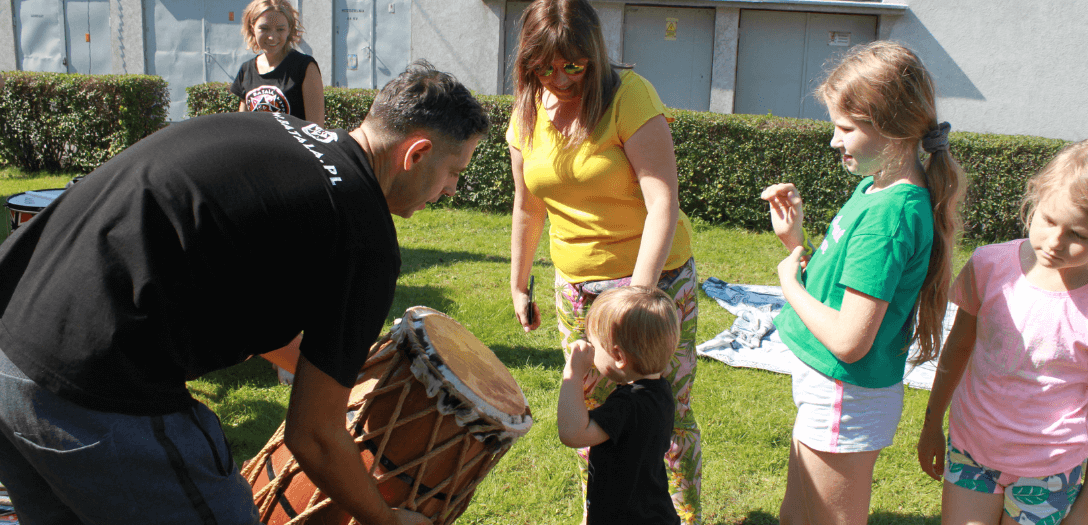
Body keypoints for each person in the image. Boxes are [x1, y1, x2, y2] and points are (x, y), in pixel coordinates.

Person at [0, 60, 488, 525]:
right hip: (92, 388)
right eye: (455, 171)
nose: (451, 189)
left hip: (9, 351)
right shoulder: (364, 235)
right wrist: (383, 517)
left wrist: (346, 374)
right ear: (416, 153)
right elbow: (314, 436)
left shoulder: (270, 130)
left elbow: (242, 304)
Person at [505, 0, 702, 521]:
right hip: (579, 289)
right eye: (545, 66)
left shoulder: (629, 97)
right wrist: (519, 283)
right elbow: (528, 206)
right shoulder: (526, 110)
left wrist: (636, 298)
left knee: (664, 418)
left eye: (573, 64)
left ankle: (678, 518)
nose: (560, 77)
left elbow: (663, 201)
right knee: (592, 412)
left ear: (595, 53)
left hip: (652, 283)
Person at [761, 41, 965, 525]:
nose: (834, 140)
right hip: (832, 386)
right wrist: (795, 241)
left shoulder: (890, 215)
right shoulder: (874, 190)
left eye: (846, 128)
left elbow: (851, 341)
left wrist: (788, 282)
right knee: (799, 514)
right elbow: (842, 288)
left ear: (893, 128)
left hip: (844, 391)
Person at [916, 138, 1088, 525]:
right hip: (970, 451)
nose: (1055, 242)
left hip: (1050, 472)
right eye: (1049, 219)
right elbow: (957, 348)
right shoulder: (988, 265)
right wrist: (931, 424)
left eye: (1080, 236)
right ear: (1036, 197)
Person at [557, 286, 681, 525]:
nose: (592, 352)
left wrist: (572, 373)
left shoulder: (627, 405)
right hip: (654, 512)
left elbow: (572, 433)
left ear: (619, 357)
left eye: (595, 345)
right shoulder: (661, 392)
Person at [230, 0, 324, 126]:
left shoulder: (305, 67)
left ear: (289, 29)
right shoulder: (246, 70)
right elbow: (242, 125)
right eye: (264, 28)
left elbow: (316, 129)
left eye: (280, 29)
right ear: (252, 28)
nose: (272, 37)